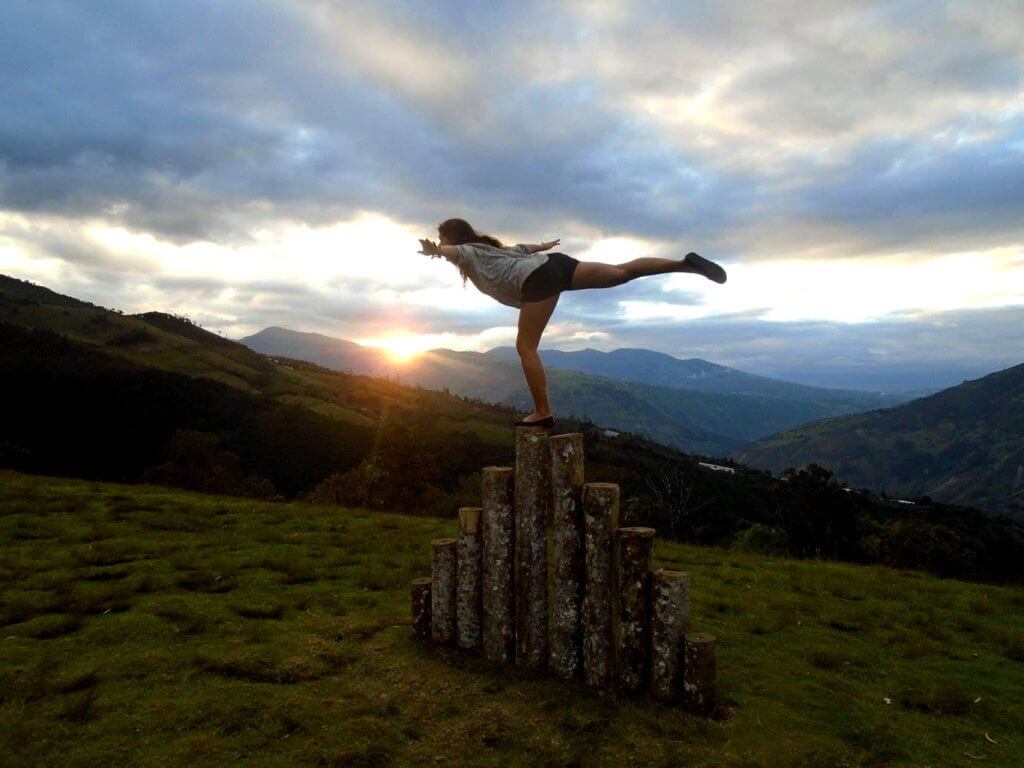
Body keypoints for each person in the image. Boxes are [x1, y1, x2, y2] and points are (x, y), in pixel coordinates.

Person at [418, 217, 726, 428]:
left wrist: (436, 251)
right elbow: (524, 248)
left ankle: (542, 412)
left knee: (525, 347)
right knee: (621, 272)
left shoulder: (467, 251)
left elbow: (452, 251)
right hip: (556, 265)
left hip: (536, 279)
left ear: (452, 238)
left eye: (444, 237)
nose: (444, 243)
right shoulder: (492, 249)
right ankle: (684, 264)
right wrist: (544, 245)